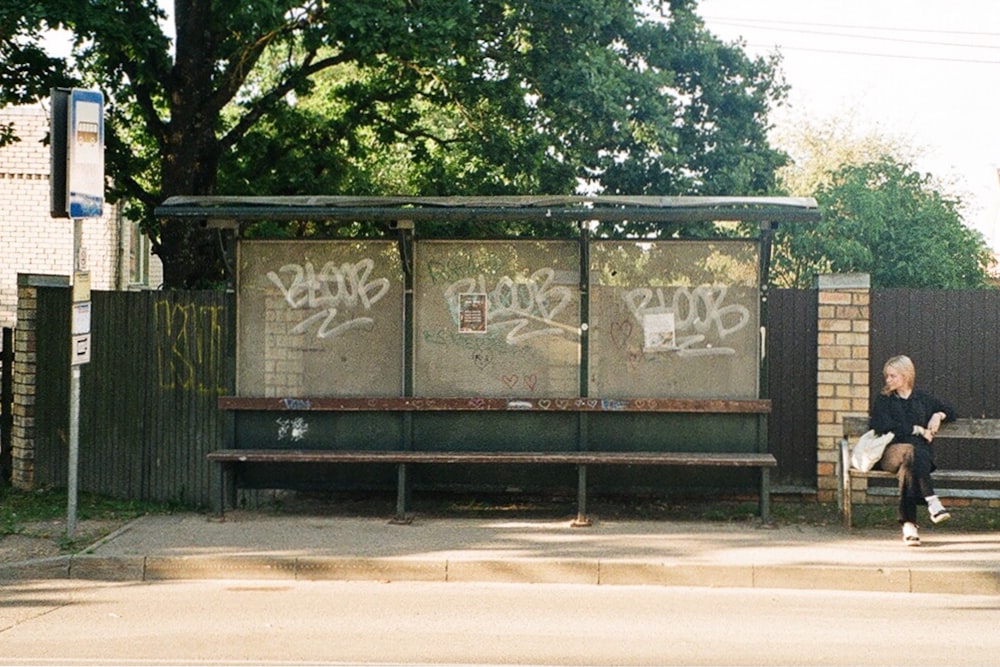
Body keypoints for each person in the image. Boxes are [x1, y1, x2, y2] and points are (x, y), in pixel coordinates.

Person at [869, 355, 956, 546]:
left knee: (911, 464)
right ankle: (932, 501)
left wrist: (938, 415)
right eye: (887, 376)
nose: (888, 380)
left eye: (893, 376)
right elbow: (881, 425)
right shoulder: (884, 399)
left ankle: (909, 525)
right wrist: (917, 429)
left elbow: (952, 411)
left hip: (919, 456)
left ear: (906, 375)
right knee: (910, 452)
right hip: (891, 453)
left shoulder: (922, 398)